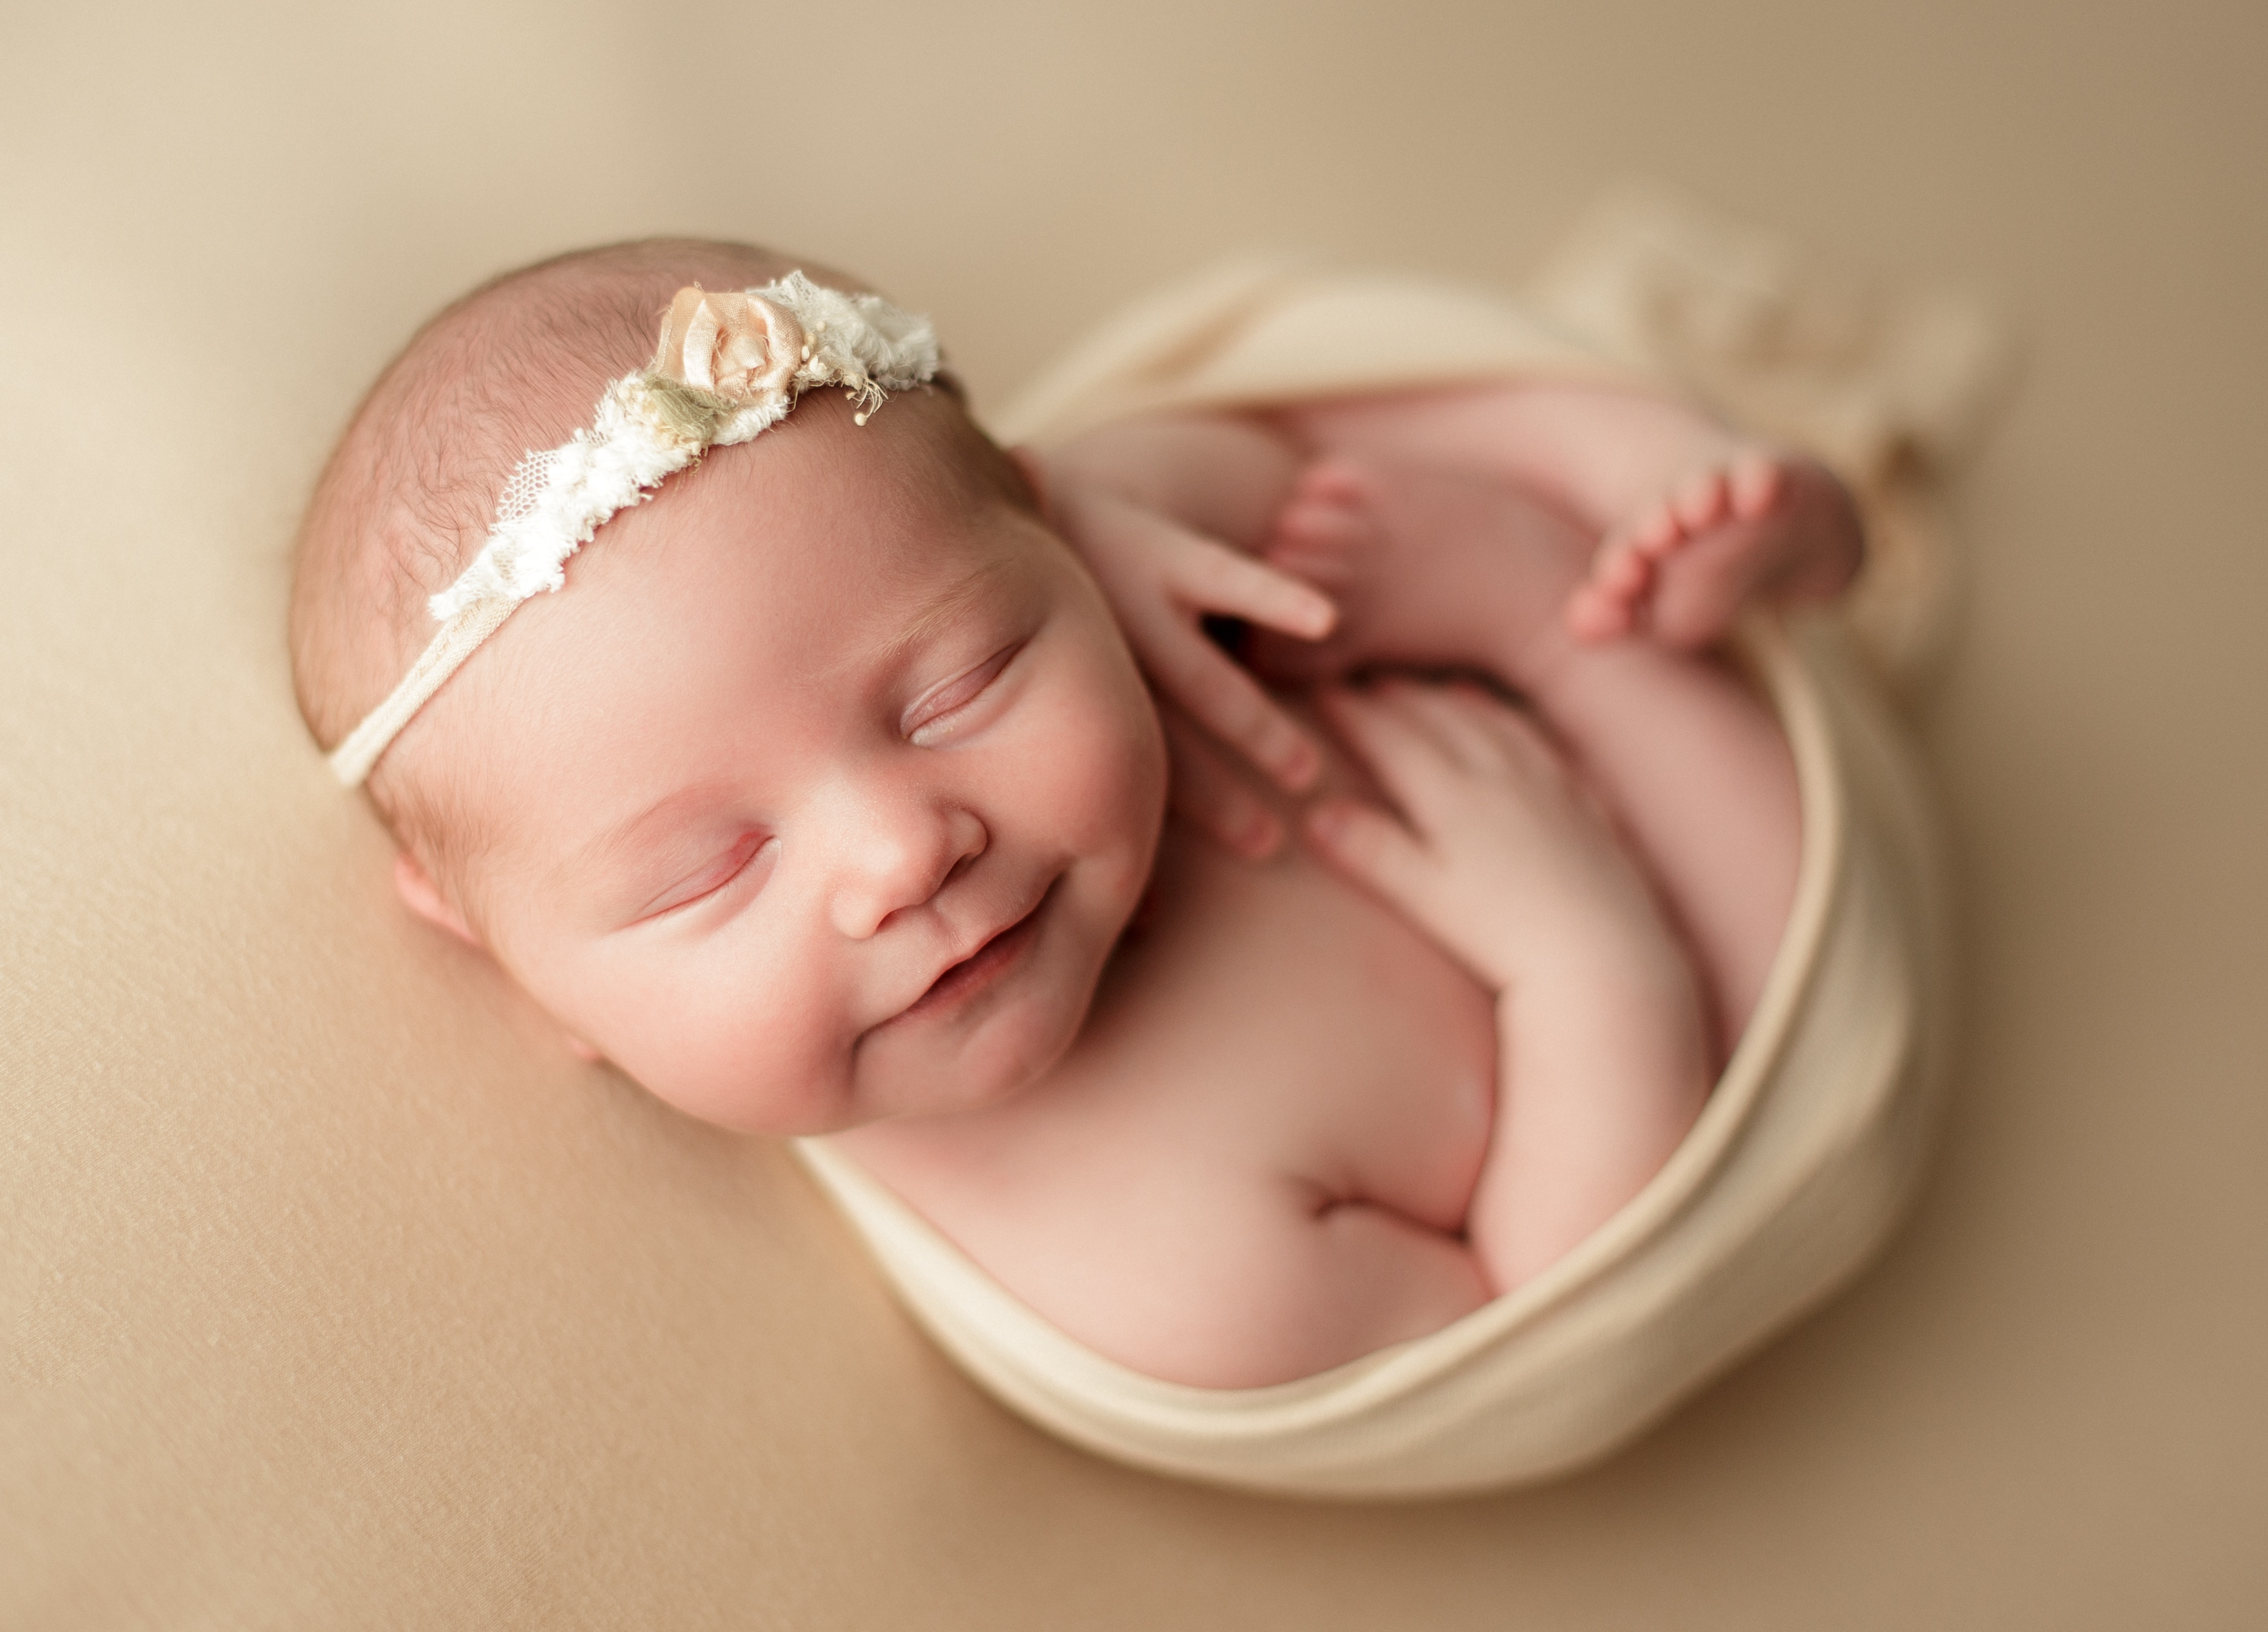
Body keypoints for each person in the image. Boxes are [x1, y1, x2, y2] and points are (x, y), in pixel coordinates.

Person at [288, 239, 1860, 1388]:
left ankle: (1689, 492)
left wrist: (1123, 514)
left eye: (954, 688)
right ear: (493, 940)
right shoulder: (1165, 1271)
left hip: (1339, 616)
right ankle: (1569, 619)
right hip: (1675, 974)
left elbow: (1270, 459)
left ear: (1042, 534)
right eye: (716, 865)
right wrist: (1583, 963)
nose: (905, 852)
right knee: (1776, 882)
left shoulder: (1089, 559)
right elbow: (1561, 1299)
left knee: (1316, 454)